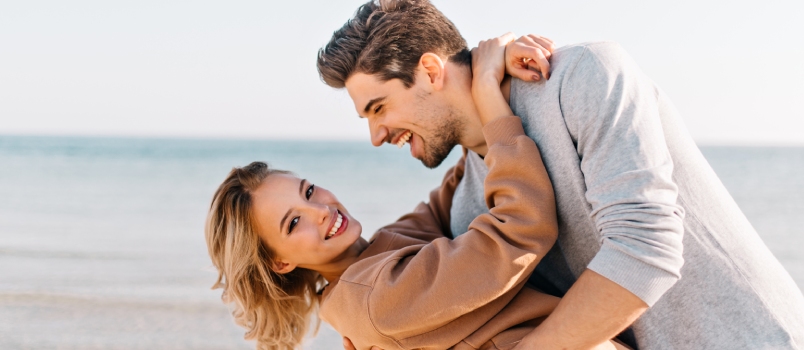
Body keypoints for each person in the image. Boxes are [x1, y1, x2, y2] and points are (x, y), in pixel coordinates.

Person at [316, 0, 804, 349]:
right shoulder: (470, 201)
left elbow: (647, 250)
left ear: (429, 70)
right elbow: (405, 267)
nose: (377, 136)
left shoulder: (579, 77)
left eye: (378, 108)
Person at [205, 40, 629, 350]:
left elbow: (444, 200)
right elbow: (520, 232)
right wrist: (486, 94)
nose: (320, 211)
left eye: (309, 191)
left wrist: (462, 104)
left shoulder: (369, 261)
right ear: (281, 261)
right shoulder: (375, 297)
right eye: (293, 222)